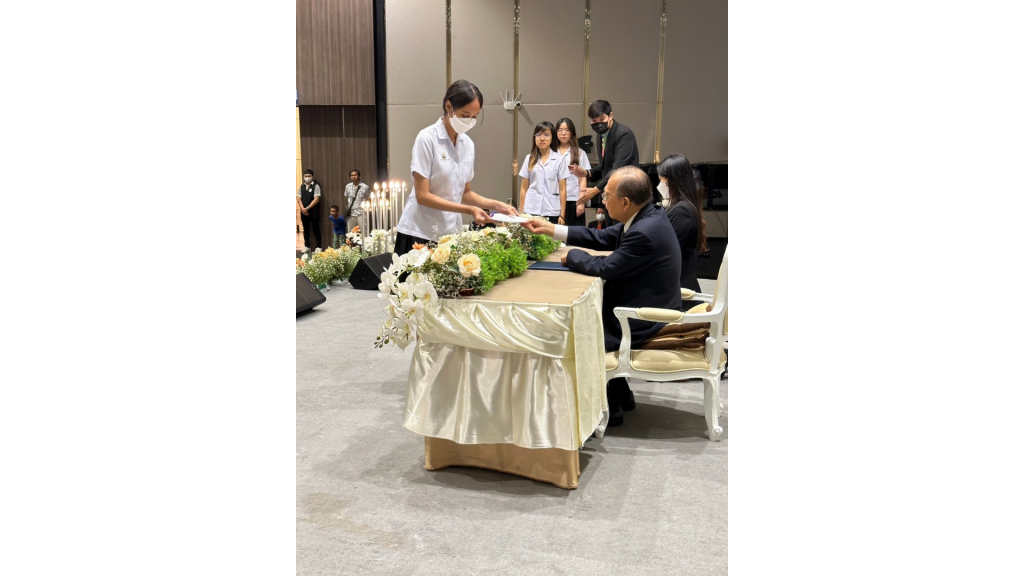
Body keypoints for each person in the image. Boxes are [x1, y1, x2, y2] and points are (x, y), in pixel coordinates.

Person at [524, 166, 682, 427]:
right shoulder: (649, 215)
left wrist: (572, 256)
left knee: (573, 330)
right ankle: (620, 394)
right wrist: (551, 229)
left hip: (643, 319)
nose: (603, 201)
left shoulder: (644, 232)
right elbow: (603, 237)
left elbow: (606, 267)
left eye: (606, 196)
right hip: (648, 304)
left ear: (625, 202)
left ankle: (603, 407)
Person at [394, 79, 519, 255]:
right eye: (465, 115)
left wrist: (497, 205)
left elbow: (465, 193)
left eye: (474, 117)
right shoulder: (427, 138)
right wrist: (470, 210)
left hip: (449, 233)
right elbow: (422, 196)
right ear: (448, 107)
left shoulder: (467, 144)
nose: (469, 121)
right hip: (420, 232)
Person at [574, 100, 646, 212]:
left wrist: (595, 190)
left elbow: (617, 168)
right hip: (610, 195)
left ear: (610, 116)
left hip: (626, 192)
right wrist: (587, 173)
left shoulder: (623, 134)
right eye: (594, 121)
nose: (598, 124)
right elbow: (605, 166)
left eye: (602, 119)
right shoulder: (600, 135)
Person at [657, 154, 707, 293]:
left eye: (663, 181)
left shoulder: (681, 212)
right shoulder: (682, 206)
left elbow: (668, 251)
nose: (660, 186)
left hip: (679, 288)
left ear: (673, 181)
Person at [518, 121, 568, 224]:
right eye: (538, 135)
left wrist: (562, 215)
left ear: (552, 139)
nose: (542, 138)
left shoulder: (560, 159)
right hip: (531, 209)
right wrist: (522, 212)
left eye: (546, 135)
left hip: (551, 210)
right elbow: (523, 188)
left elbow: (562, 189)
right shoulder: (529, 158)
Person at [553, 118, 591, 226]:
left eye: (567, 130)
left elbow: (583, 179)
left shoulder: (580, 153)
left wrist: (581, 202)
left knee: (574, 233)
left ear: (572, 132)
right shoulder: (551, 152)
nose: (563, 133)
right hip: (554, 200)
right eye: (560, 130)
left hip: (573, 199)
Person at [296, 169, 322, 251]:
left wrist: (307, 208)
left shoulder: (316, 186)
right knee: (305, 229)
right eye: (306, 176)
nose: (307, 178)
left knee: (315, 228)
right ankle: (307, 246)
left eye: (309, 176)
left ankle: (318, 247)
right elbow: (298, 198)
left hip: (314, 211)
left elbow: (316, 199)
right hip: (303, 211)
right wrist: (303, 209)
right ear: (303, 177)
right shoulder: (301, 186)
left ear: (312, 177)